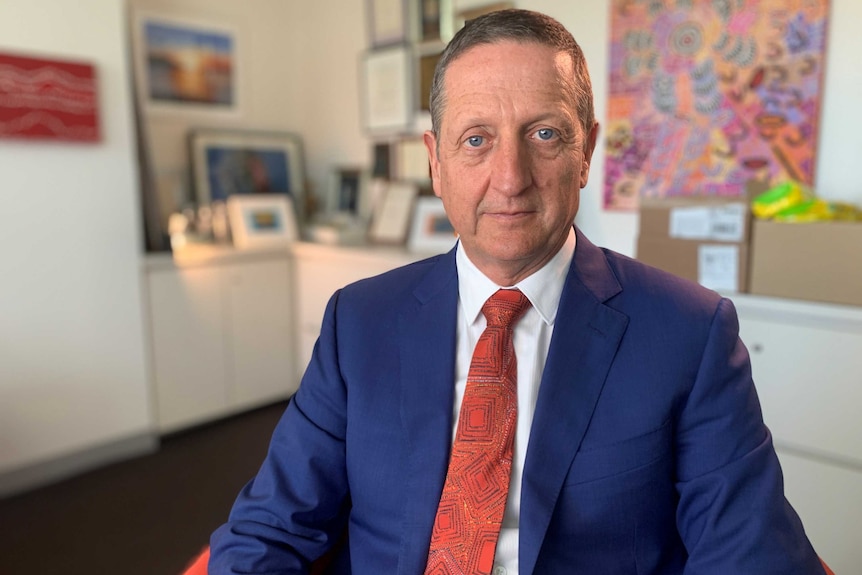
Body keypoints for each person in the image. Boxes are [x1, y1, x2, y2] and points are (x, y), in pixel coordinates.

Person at [209, 9, 826, 574]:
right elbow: (269, 530)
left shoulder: (689, 333)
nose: (510, 180)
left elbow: (751, 555)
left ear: (585, 151)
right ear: (435, 163)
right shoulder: (359, 322)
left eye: (545, 135)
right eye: (476, 139)